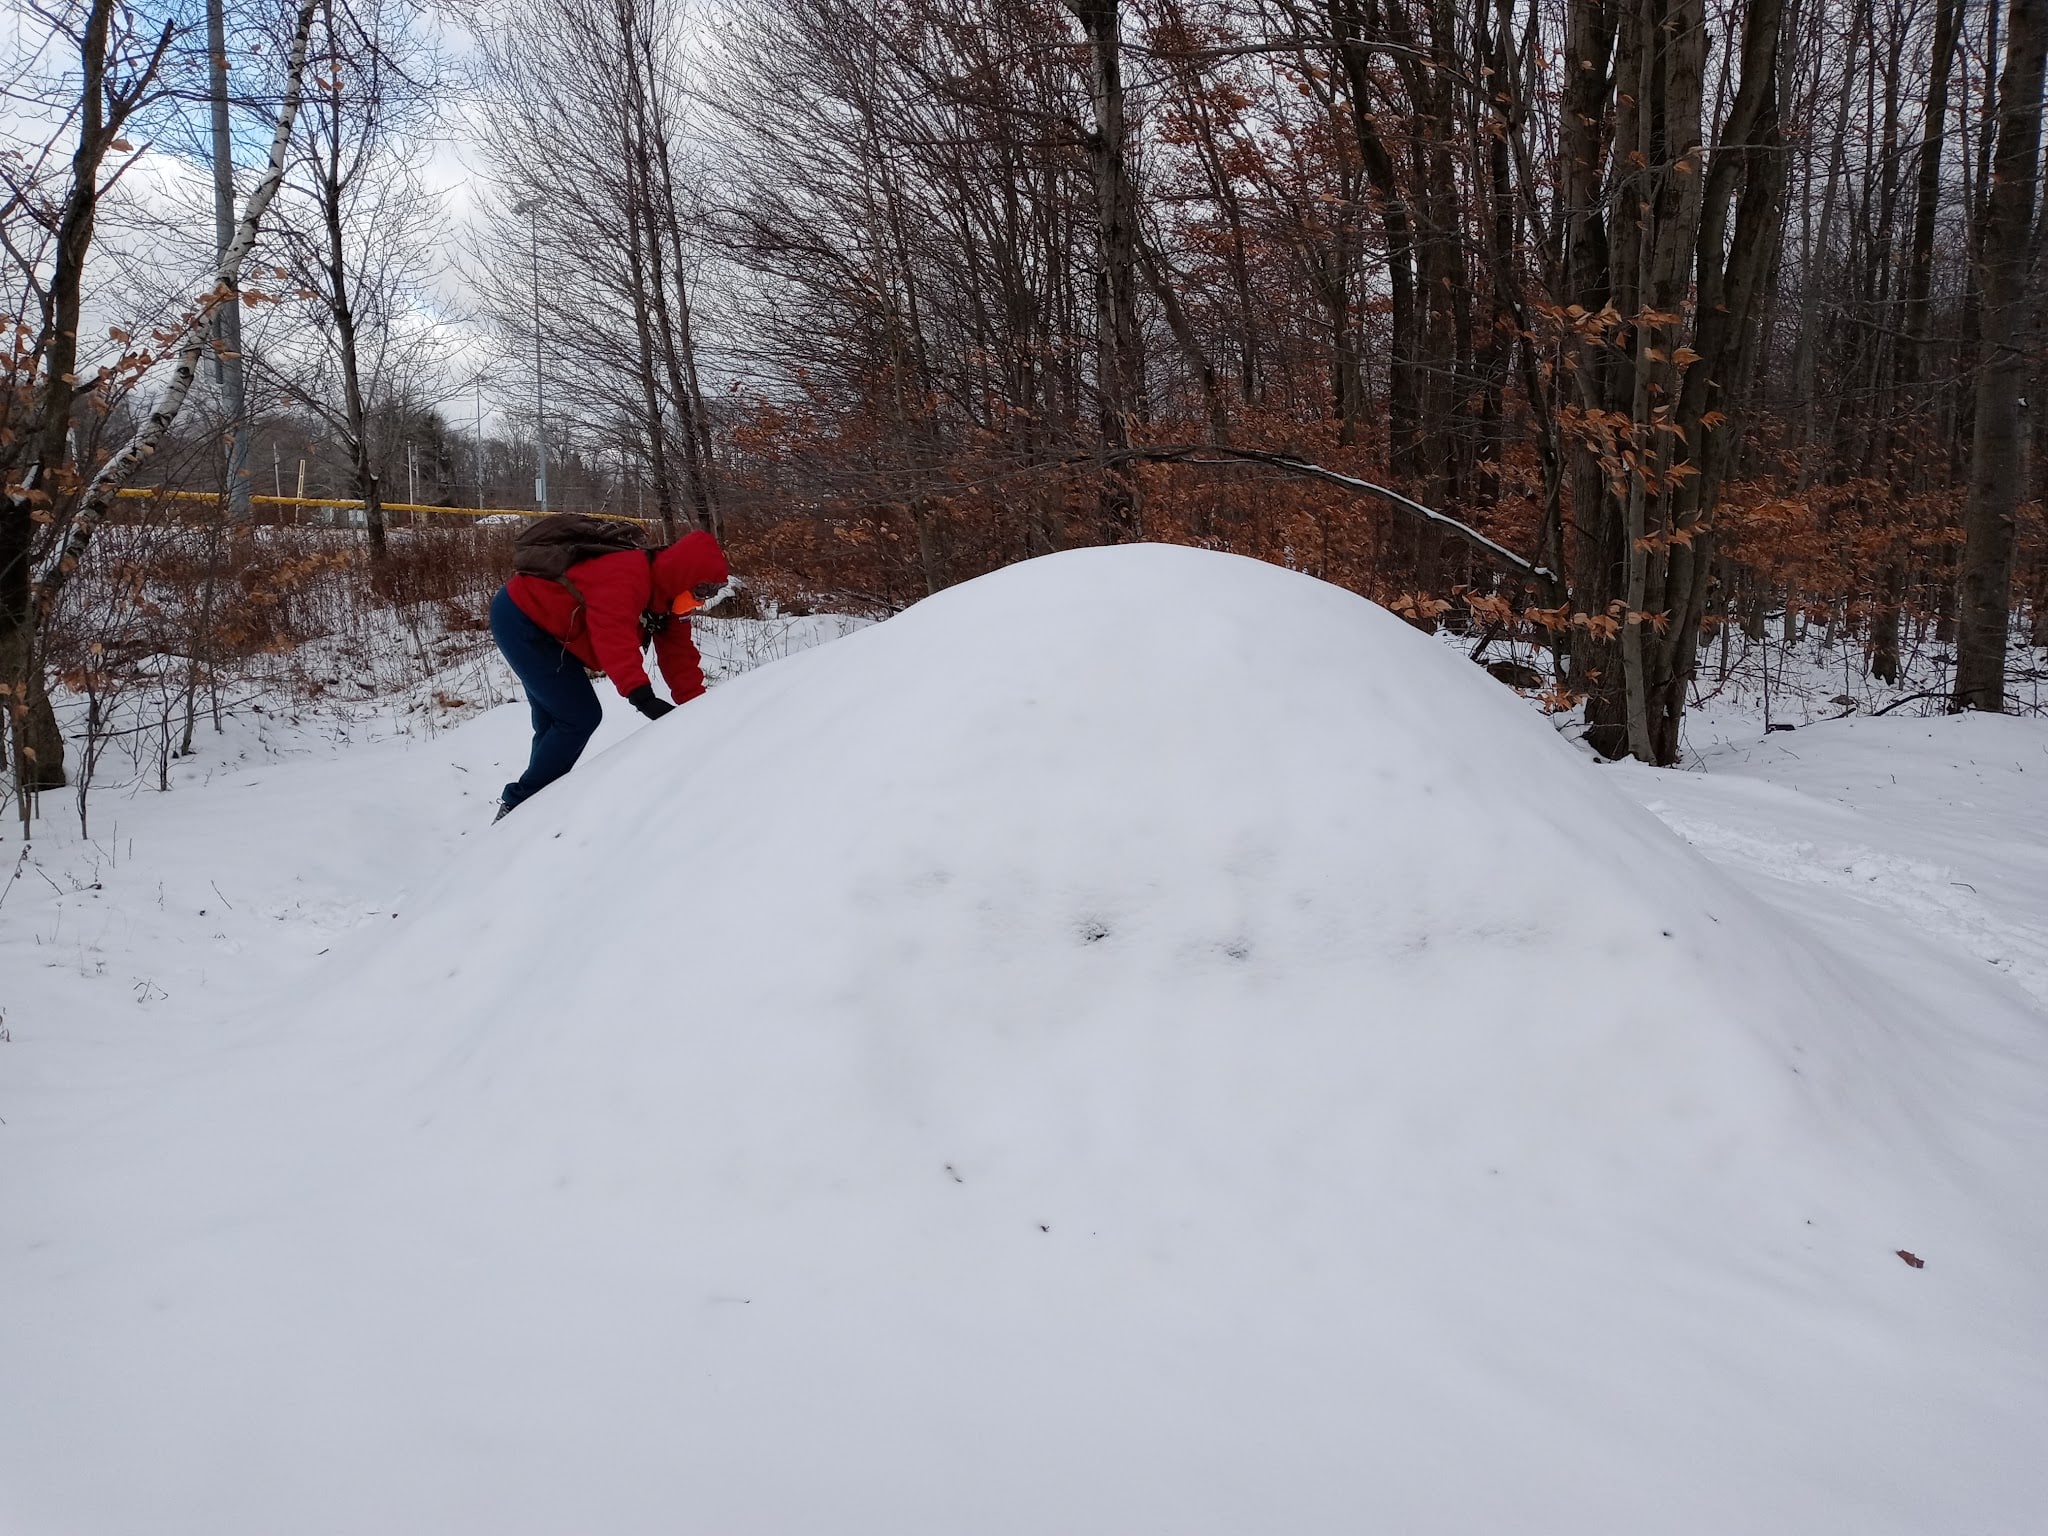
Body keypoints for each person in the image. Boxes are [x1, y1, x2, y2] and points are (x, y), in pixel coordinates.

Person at [488, 528, 729, 818]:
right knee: (578, 717)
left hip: (551, 629)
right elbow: (612, 635)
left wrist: (700, 710)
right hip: (521, 618)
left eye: (710, 593)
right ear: (683, 575)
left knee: (556, 720)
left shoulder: (669, 600)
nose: (702, 600)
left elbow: (680, 657)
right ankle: (518, 805)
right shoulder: (627, 574)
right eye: (701, 590)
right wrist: (641, 696)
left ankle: (531, 807)